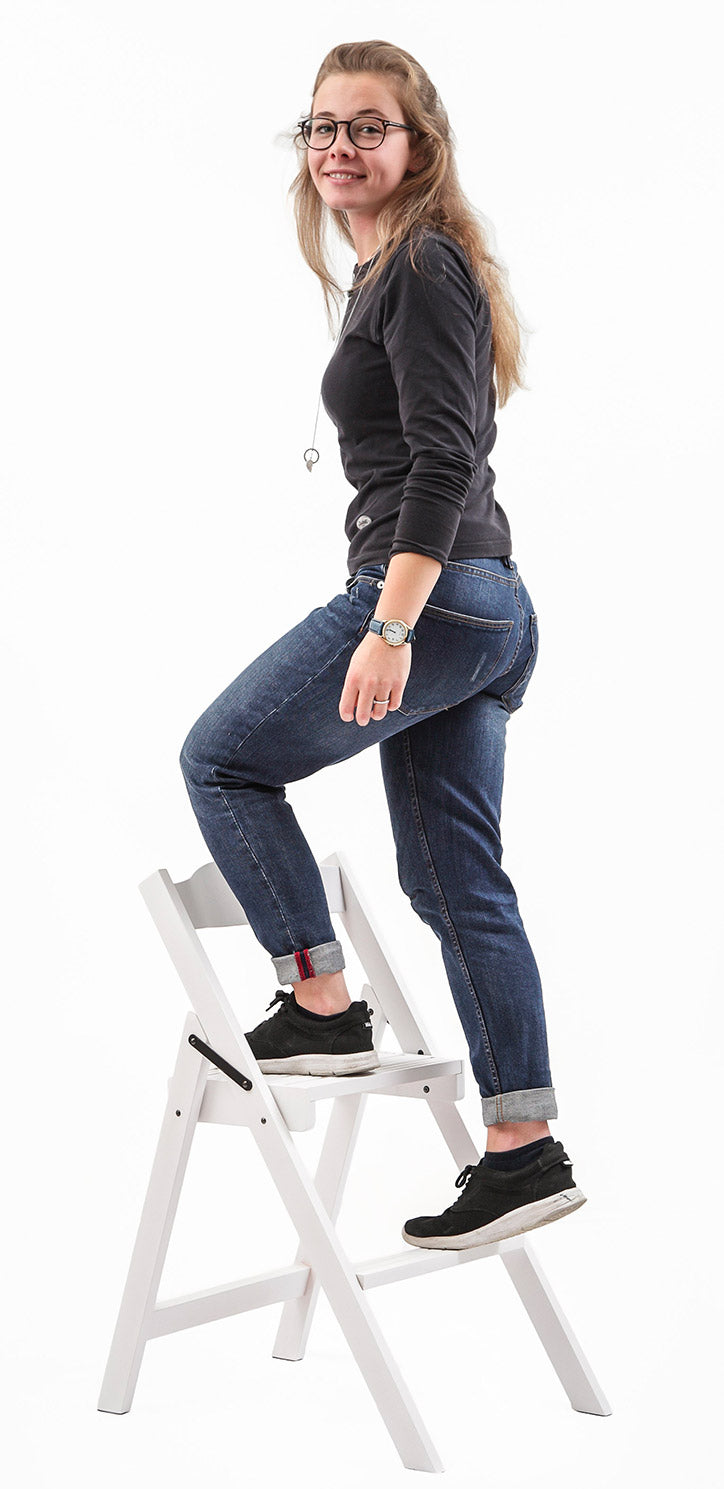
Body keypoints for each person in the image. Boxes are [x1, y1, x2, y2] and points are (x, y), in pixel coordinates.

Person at [179, 39, 586, 1248]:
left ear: (420, 146)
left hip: (437, 597)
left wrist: (391, 624)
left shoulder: (420, 264)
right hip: (484, 603)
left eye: (368, 126)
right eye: (321, 127)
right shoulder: (391, 270)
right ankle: (522, 1149)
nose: (339, 147)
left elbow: (444, 462)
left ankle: (319, 1001)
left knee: (222, 759)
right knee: (455, 881)